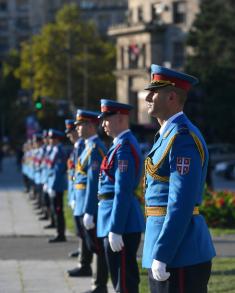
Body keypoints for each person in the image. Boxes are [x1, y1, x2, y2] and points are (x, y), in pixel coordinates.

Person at [142, 64, 216, 293]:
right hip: (168, 248)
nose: (147, 97)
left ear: (172, 96)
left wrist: (163, 253)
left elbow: (180, 203)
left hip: (179, 253)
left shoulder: (182, 138)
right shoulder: (167, 135)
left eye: (154, 92)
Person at [97, 99, 145, 293]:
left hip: (122, 224)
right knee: (119, 279)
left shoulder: (124, 147)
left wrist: (116, 229)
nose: (103, 124)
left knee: (124, 282)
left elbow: (122, 190)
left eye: (106, 119)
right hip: (115, 219)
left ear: (119, 118)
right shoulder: (119, 145)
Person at [65, 119, 85, 258]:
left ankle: (84, 255)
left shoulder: (83, 147)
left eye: (71, 131)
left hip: (81, 192)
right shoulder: (77, 147)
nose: (69, 135)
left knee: (83, 229)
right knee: (79, 227)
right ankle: (82, 251)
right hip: (76, 190)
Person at [46, 129, 67, 243]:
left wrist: (53, 186)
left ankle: (61, 234)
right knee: (56, 209)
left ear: (57, 139)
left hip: (57, 185)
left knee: (58, 210)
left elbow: (58, 171)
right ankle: (59, 232)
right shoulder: (54, 150)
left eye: (51, 138)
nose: (49, 140)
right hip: (53, 184)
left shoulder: (59, 151)